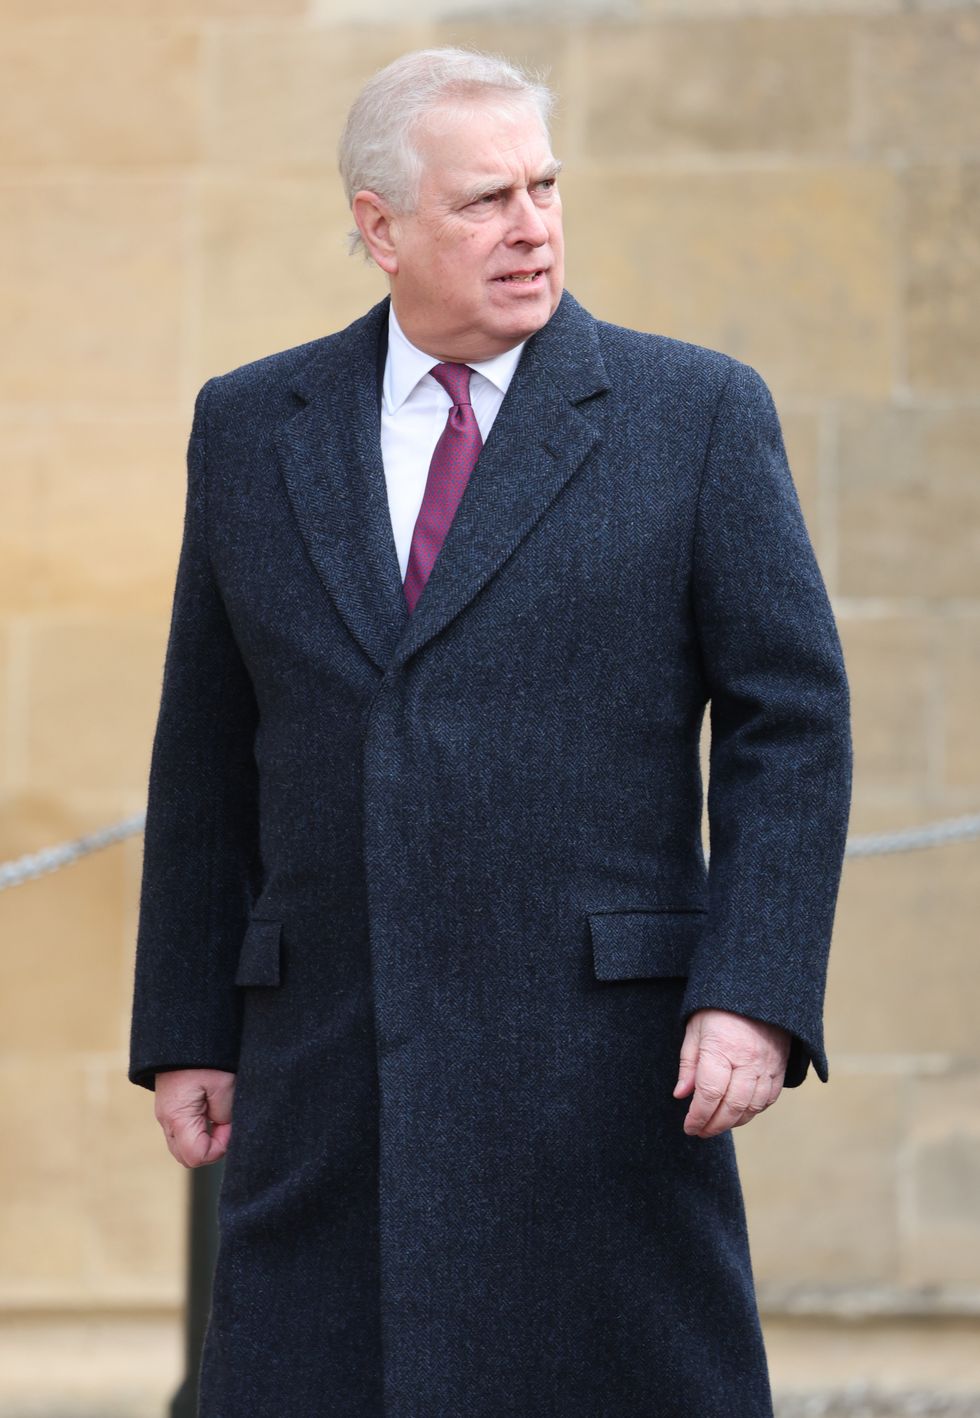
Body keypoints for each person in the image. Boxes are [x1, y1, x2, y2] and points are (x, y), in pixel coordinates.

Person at [128, 46, 852, 1418]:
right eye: (485, 199)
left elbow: (791, 722)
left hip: (603, 1078)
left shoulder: (693, 415)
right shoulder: (248, 426)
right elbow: (209, 745)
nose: (532, 226)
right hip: (327, 1079)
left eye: (545, 186)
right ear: (378, 228)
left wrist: (754, 986)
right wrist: (187, 1023)